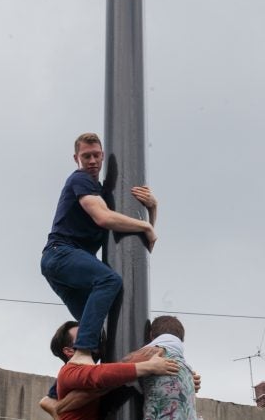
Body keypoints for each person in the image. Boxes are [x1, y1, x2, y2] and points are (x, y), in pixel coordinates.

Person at [41, 133, 158, 365]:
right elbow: (103, 218)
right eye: (86, 156)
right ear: (76, 158)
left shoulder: (103, 193)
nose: (92, 161)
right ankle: (82, 353)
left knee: (97, 332)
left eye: (96, 155)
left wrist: (153, 209)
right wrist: (145, 224)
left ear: (103, 155)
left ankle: (64, 387)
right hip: (61, 253)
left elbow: (144, 242)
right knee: (108, 281)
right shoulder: (80, 179)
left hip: (63, 264)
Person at [40, 319, 200, 420]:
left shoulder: (92, 370)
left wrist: (179, 379)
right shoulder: (71, 372)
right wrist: (148, 366)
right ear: (69, 351)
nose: (91, 335)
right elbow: (47, 401)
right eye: (82, 335)